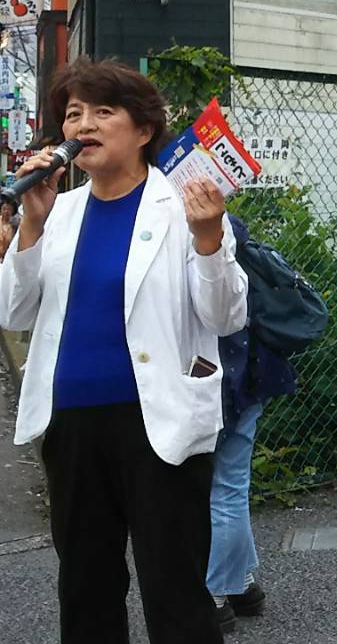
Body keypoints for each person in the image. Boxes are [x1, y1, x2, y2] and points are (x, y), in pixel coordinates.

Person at [0, 58, 249, 643]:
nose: (83, 125)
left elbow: (226, 316)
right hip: (72, 423)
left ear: (143, 130)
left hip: (157, 422)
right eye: (73, 114)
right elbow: (13, 312)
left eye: (103, 111)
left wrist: (209, 239)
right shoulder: (59, 211)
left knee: (175, 589)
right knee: (85, 588)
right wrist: (30, 225)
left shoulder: (186, 205)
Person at [207, 214, 297, 632]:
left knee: (214, 490)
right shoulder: (232, 226)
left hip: (213, 377)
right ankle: (240, 583)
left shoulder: (190, 230)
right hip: (249, 371)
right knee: (232, 486)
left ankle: (214, 595)